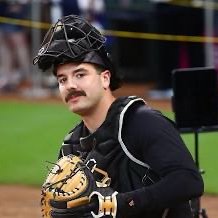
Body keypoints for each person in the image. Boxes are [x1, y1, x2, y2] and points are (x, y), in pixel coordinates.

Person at [33, 15, 204, 218]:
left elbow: (188, 180)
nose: (70, 85)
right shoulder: (73, 145)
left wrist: (120, 203)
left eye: (80, 74)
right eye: (63, 79)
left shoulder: (141, 122)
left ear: (105, 78)